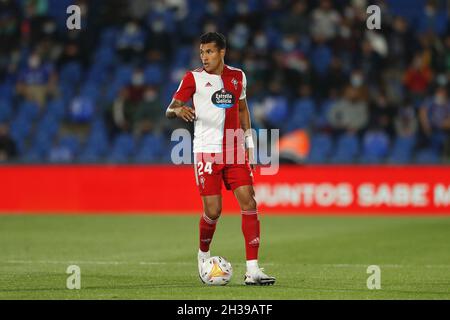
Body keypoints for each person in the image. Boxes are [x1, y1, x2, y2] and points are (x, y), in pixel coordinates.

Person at [165, 32, 275, 285]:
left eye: (210, 52)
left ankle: (253, 270)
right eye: (202, 52)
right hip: (206, 151)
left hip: (235, 149)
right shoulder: (192, 78)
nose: (204, 57)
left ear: (222, 52)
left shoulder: (238, 77)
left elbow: (243, 109)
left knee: (248, 201)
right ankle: (203, 256)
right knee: (213, 211)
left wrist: (249, 142)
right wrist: (178, 109)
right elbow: (170, 108)